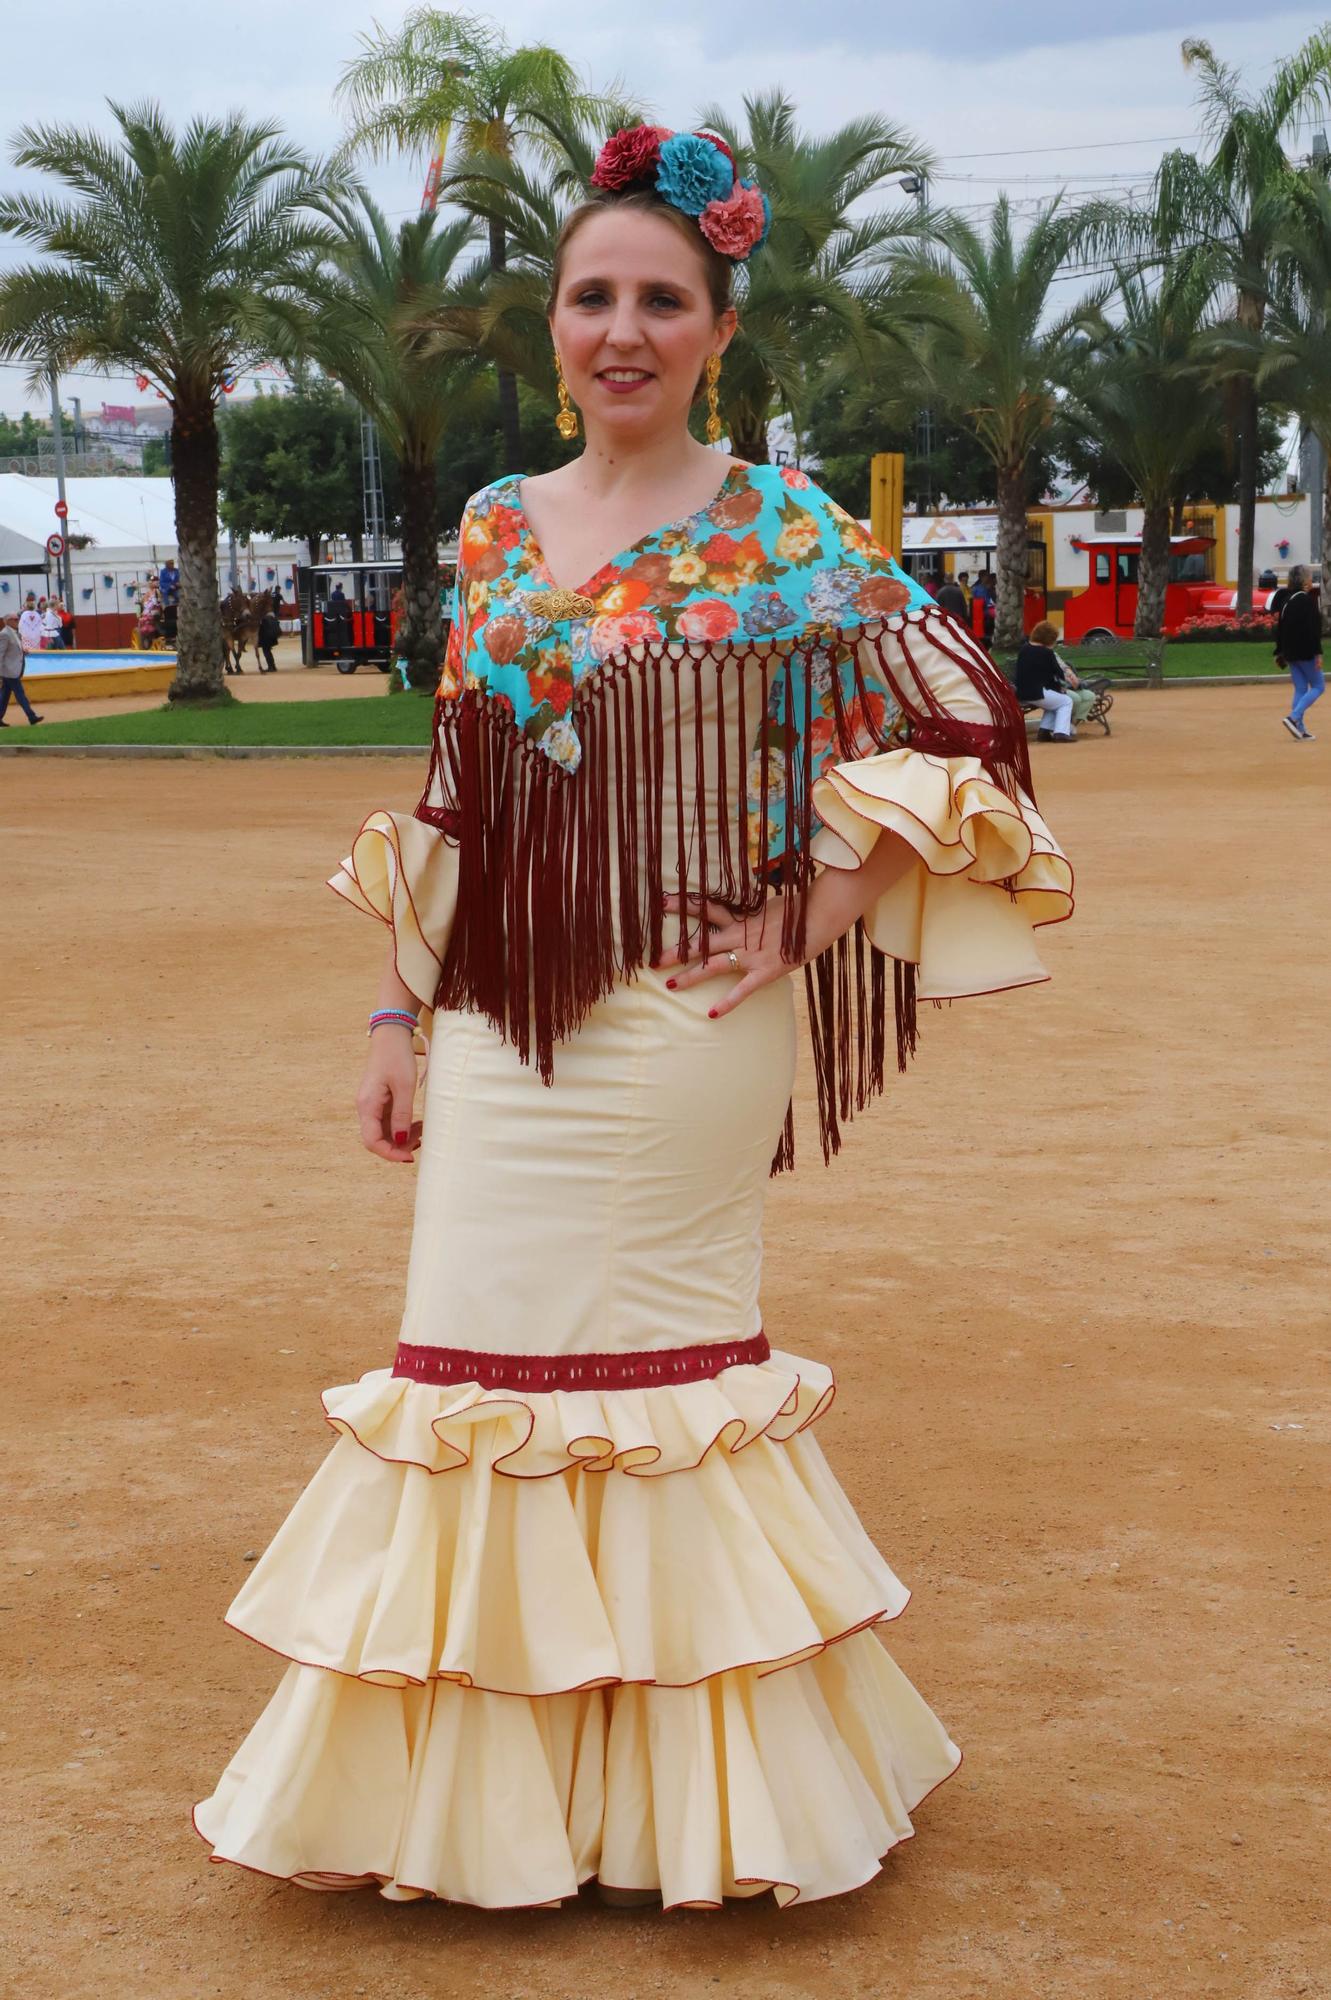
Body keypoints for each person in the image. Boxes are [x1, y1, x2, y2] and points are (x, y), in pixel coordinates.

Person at [194, 121, 1073, 1913]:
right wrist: (393, 1008)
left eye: (659, 300)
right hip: (502, 1020)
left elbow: (968, 717)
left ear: (717, 330)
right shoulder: (495, 526)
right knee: (466, 1370)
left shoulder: (788, 527)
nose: (621, 329)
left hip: (689, 1015)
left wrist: (814, 910)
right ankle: (501, 1810)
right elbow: (463, 777)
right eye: (591, 296)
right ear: (552, 325)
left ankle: (695, 1810)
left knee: (657, 1383)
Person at [1274, 565, 1323, 741]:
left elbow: (1280, 628)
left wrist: (1280, 652)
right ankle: (1293, 718)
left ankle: (1300, 729)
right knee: (1319, 686)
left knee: (1301, 688)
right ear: (1303, 580)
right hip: (1305, 651)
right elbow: (1313, 631)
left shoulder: (1287, 600)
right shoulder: (1306, 601)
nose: (1311, 580)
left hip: (1290, 653)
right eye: (1310, 576)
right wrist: (1318, 653)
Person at [1014, 620, 1078, 740]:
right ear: (1049, 639)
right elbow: (1057, 673)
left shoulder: (1024, 650)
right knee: (1066, 701)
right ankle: (1061, 733)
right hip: (1036, 693)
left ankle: (1044, 731)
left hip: (1022, 692)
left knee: (1055, 703)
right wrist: (1067, 682)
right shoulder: (1046, 653)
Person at [0, 611, 43, 724]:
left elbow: (14, 649)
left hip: (12, 670)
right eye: (14, 619)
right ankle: (31, 716)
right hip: (10, 671)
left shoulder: (14, 633)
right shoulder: (4, 634)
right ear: (7, 621)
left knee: (4, 696)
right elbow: (0, 654)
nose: (17, 621)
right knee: (20, 694)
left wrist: (22, 652)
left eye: (17, 619)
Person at [255, 593, 280, 673]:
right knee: (268, 651)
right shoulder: (271, 615)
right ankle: (272, 666)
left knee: (266, 651)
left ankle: (271, 667)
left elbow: (262, 627)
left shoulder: (264, 618)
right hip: (270, 637)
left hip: (266, 638)